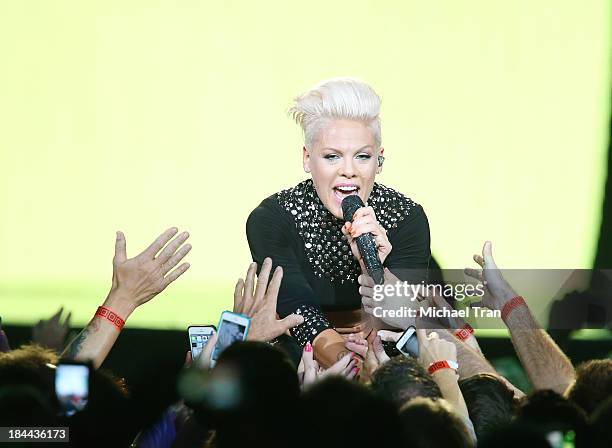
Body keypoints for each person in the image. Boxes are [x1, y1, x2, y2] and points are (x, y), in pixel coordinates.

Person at [246, 78, 431, 367]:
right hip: (297, 361)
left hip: (387, 360)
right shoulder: (273, 218)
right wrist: (350, 368)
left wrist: (375, 269)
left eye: (362, 157)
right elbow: (299, 314)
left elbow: (405, 318)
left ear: (379, 160)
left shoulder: (406, 218)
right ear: (308, 159)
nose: (348, 171)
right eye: (332, 157)